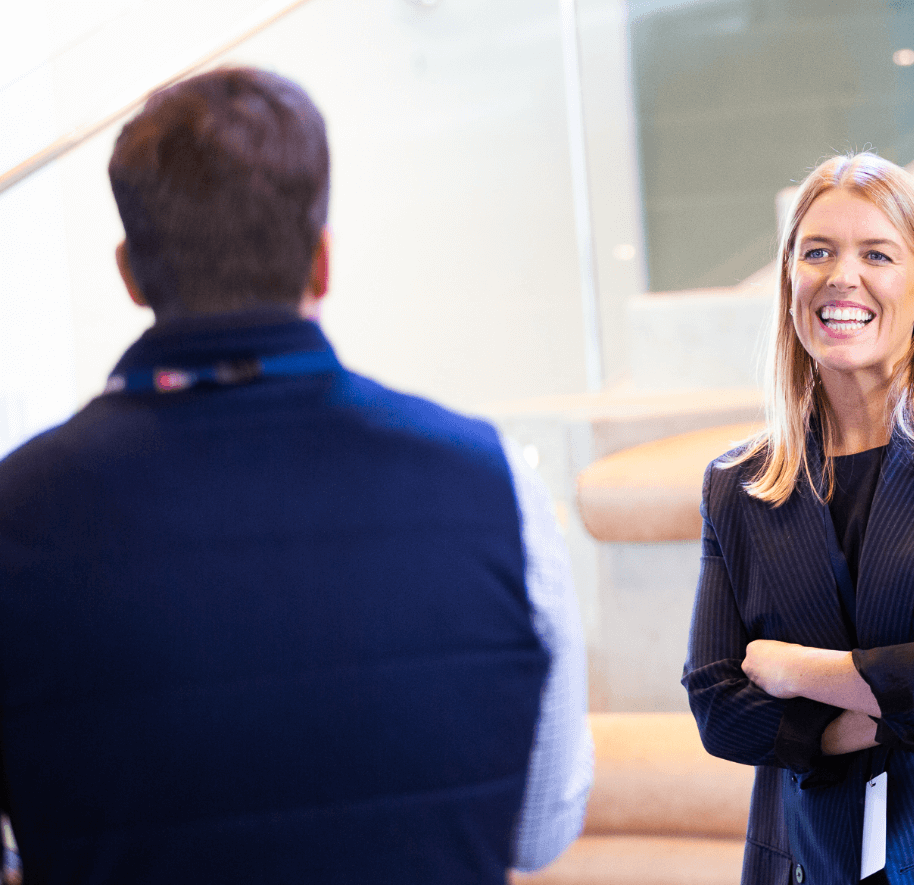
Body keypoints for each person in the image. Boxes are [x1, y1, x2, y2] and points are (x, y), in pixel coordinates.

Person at [0, 67, 592, 884]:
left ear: (130, 273)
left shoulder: (17, 510)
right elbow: (540, 826)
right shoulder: (494, 485)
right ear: (321, 261)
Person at [682, 152, 914, 884]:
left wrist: (797, 671)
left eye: (875, 254)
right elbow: (718, 708)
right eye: (815, 251)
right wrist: (913, 690)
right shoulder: (737, 483)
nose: (838, 276)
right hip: (806, 860)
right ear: (790, 281)